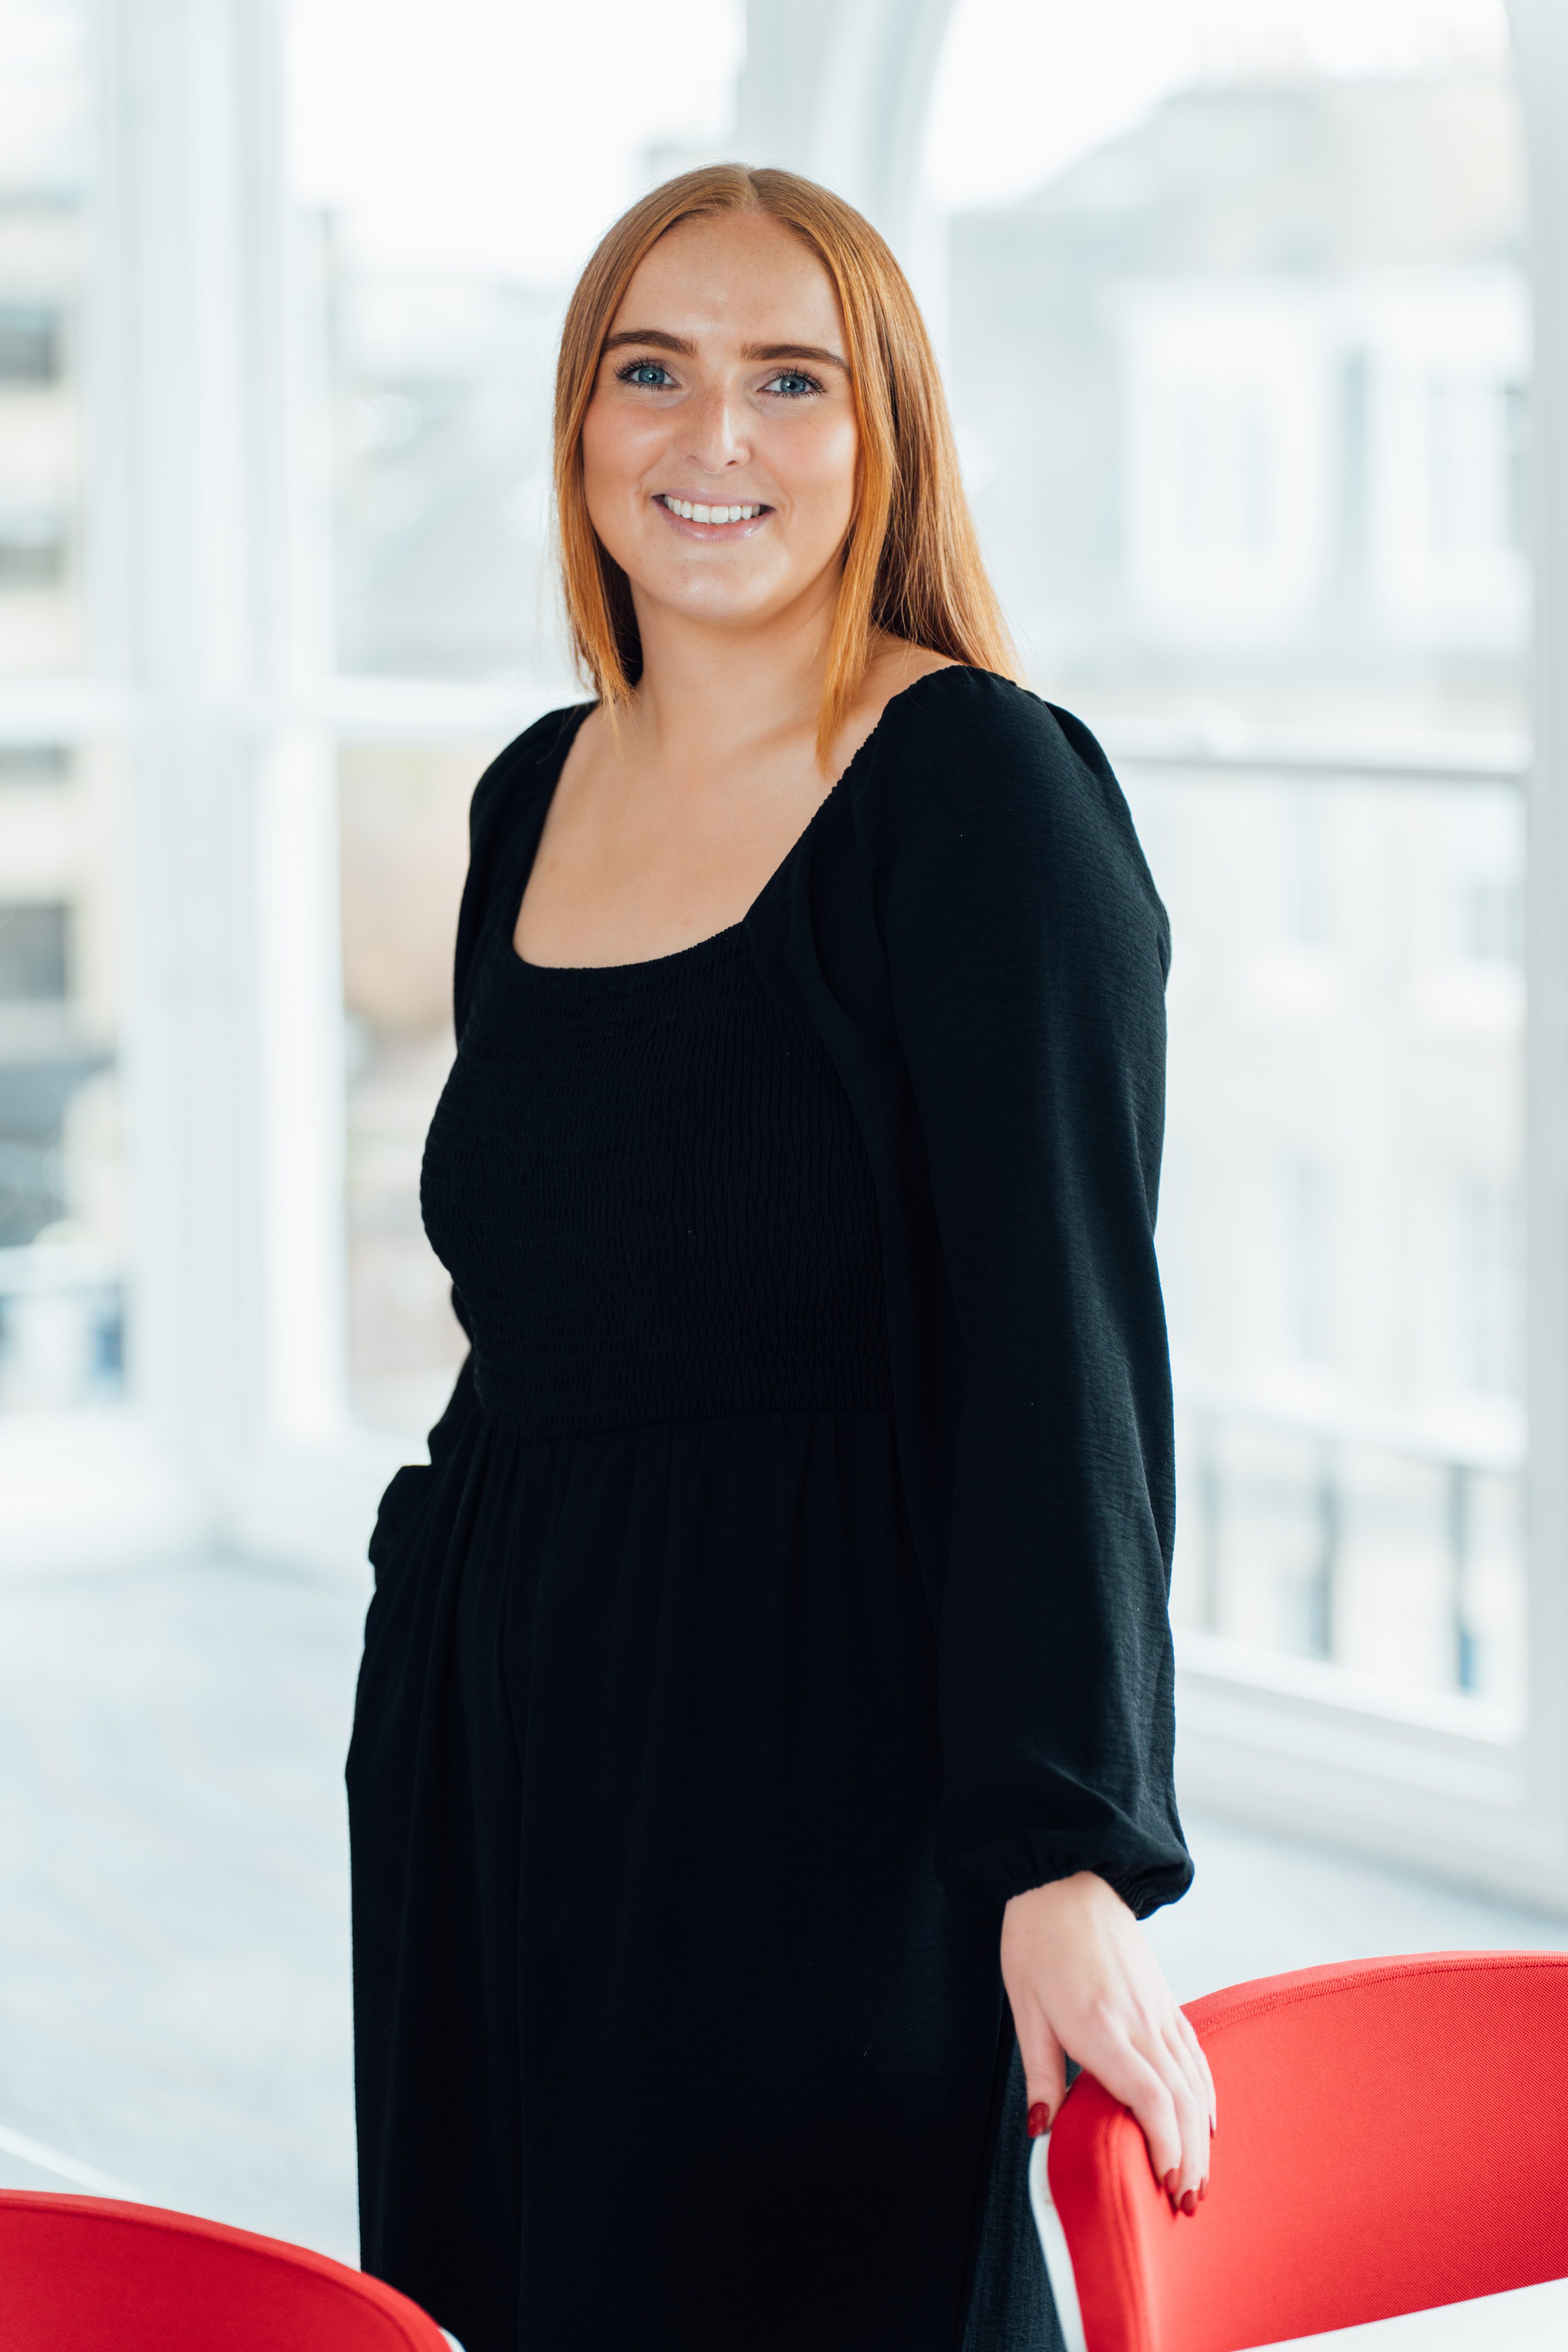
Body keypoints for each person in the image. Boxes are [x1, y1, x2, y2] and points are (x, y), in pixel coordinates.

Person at [347, 162, 1213, 2352]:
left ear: (883, 436)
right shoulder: (528, 798)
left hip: (817, 1753)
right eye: (652, 371)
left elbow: (1064, 1347)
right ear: (577, 424)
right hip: (502, 1731)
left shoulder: (977, 797)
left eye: (786, 382)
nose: (709, 438)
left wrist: (1063, 1851)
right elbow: (550, 1295)